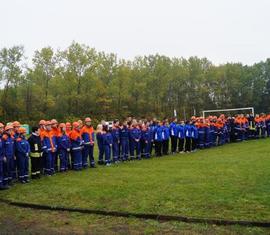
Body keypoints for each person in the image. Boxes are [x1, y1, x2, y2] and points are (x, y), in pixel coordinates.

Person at [0, 123, 9, 190]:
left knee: (2, 171)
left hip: (1, 156)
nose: (3, 129)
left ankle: (2, 184)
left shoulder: (2, 137)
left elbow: (3, 148)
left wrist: (3, 156)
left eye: (3, 128)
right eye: (1, 128)